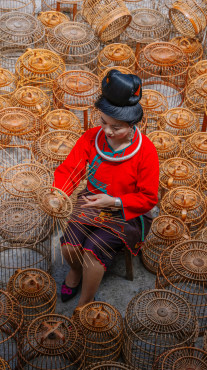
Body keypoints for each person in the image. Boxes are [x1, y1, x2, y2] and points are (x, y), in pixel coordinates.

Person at [53, 70, 159, 309]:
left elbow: (149, 197)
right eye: (103, 122)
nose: (108, 131)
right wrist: (59, 194)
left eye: (117, 127)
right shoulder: (92, 138)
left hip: (127, 210)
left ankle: (85, 303)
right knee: (69, 245)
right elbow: (71, 169)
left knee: (93, 250)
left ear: (132, 125)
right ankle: (75, 271)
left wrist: (112, 202)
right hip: (92, 200)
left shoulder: (146, 151)